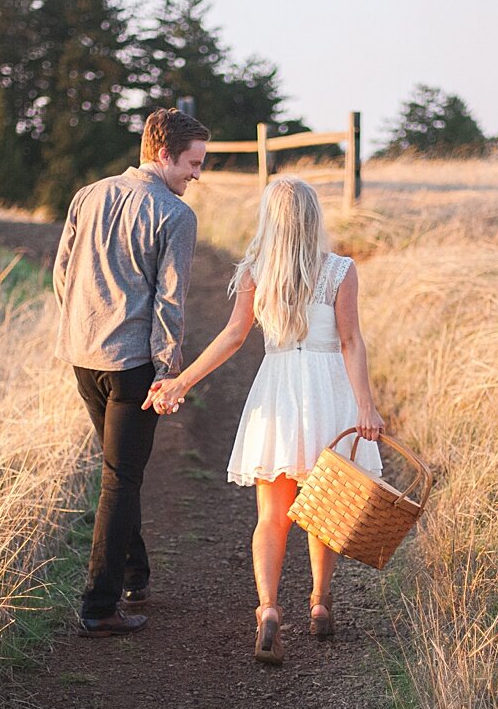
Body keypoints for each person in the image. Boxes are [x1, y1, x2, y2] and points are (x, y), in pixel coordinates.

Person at [145, 176, 384, 664]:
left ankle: (269, 609)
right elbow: (350, 342)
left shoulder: (258, 270)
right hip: (328, 391)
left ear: (270, 221)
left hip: (278, 391)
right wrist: (365, 404)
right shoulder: (339, 270)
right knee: (325, 508)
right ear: (314, 218)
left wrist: (181, 382)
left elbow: (233, 336)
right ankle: (319, 602)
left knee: (271, 516)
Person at [53, 107, 208, 637]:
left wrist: (79, 328)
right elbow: (171, 301)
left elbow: (62, 271)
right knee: (120, 480)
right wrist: (168, 372)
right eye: (192, 163)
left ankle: (134, 574)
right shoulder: (176, 215)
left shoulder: (88, 194)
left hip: (83, 355)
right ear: (163, 154)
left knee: (122, 471)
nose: (197, 174)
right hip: (133, 365)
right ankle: (99, 607)